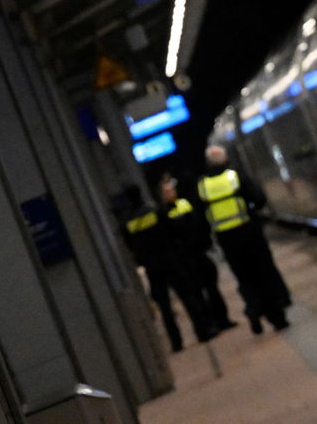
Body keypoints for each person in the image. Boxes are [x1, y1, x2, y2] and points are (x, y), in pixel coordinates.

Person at [196, 145, 291, 333]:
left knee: (244, 278)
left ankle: (252, 308)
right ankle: (277, 319)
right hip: (250, 233)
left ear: (208, 162)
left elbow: (201, 216)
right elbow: (259, 198)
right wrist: (250, 209)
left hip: (226, 239)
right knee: (263, 274)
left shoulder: (202, 185)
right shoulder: (235, 176)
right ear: (225, 159)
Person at [117, 186, 214, 352]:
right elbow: (172, 230)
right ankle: (202, 331)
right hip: (169, 260)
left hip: (151, 266)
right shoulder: (155, 211)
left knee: (164, 306)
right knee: (187, 297)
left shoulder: (128, 221)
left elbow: (130, 244)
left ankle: (176, 342)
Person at [160, 173, 236, 334]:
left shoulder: (184, 204)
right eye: (167, 192)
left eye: (171, 190)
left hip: (197, 254)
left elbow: (196, 225)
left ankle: (222, 320)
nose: (170, 193)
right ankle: (209, 324)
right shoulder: (163, 213)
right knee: (197, 294)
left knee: (212, 287)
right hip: (185, 259)